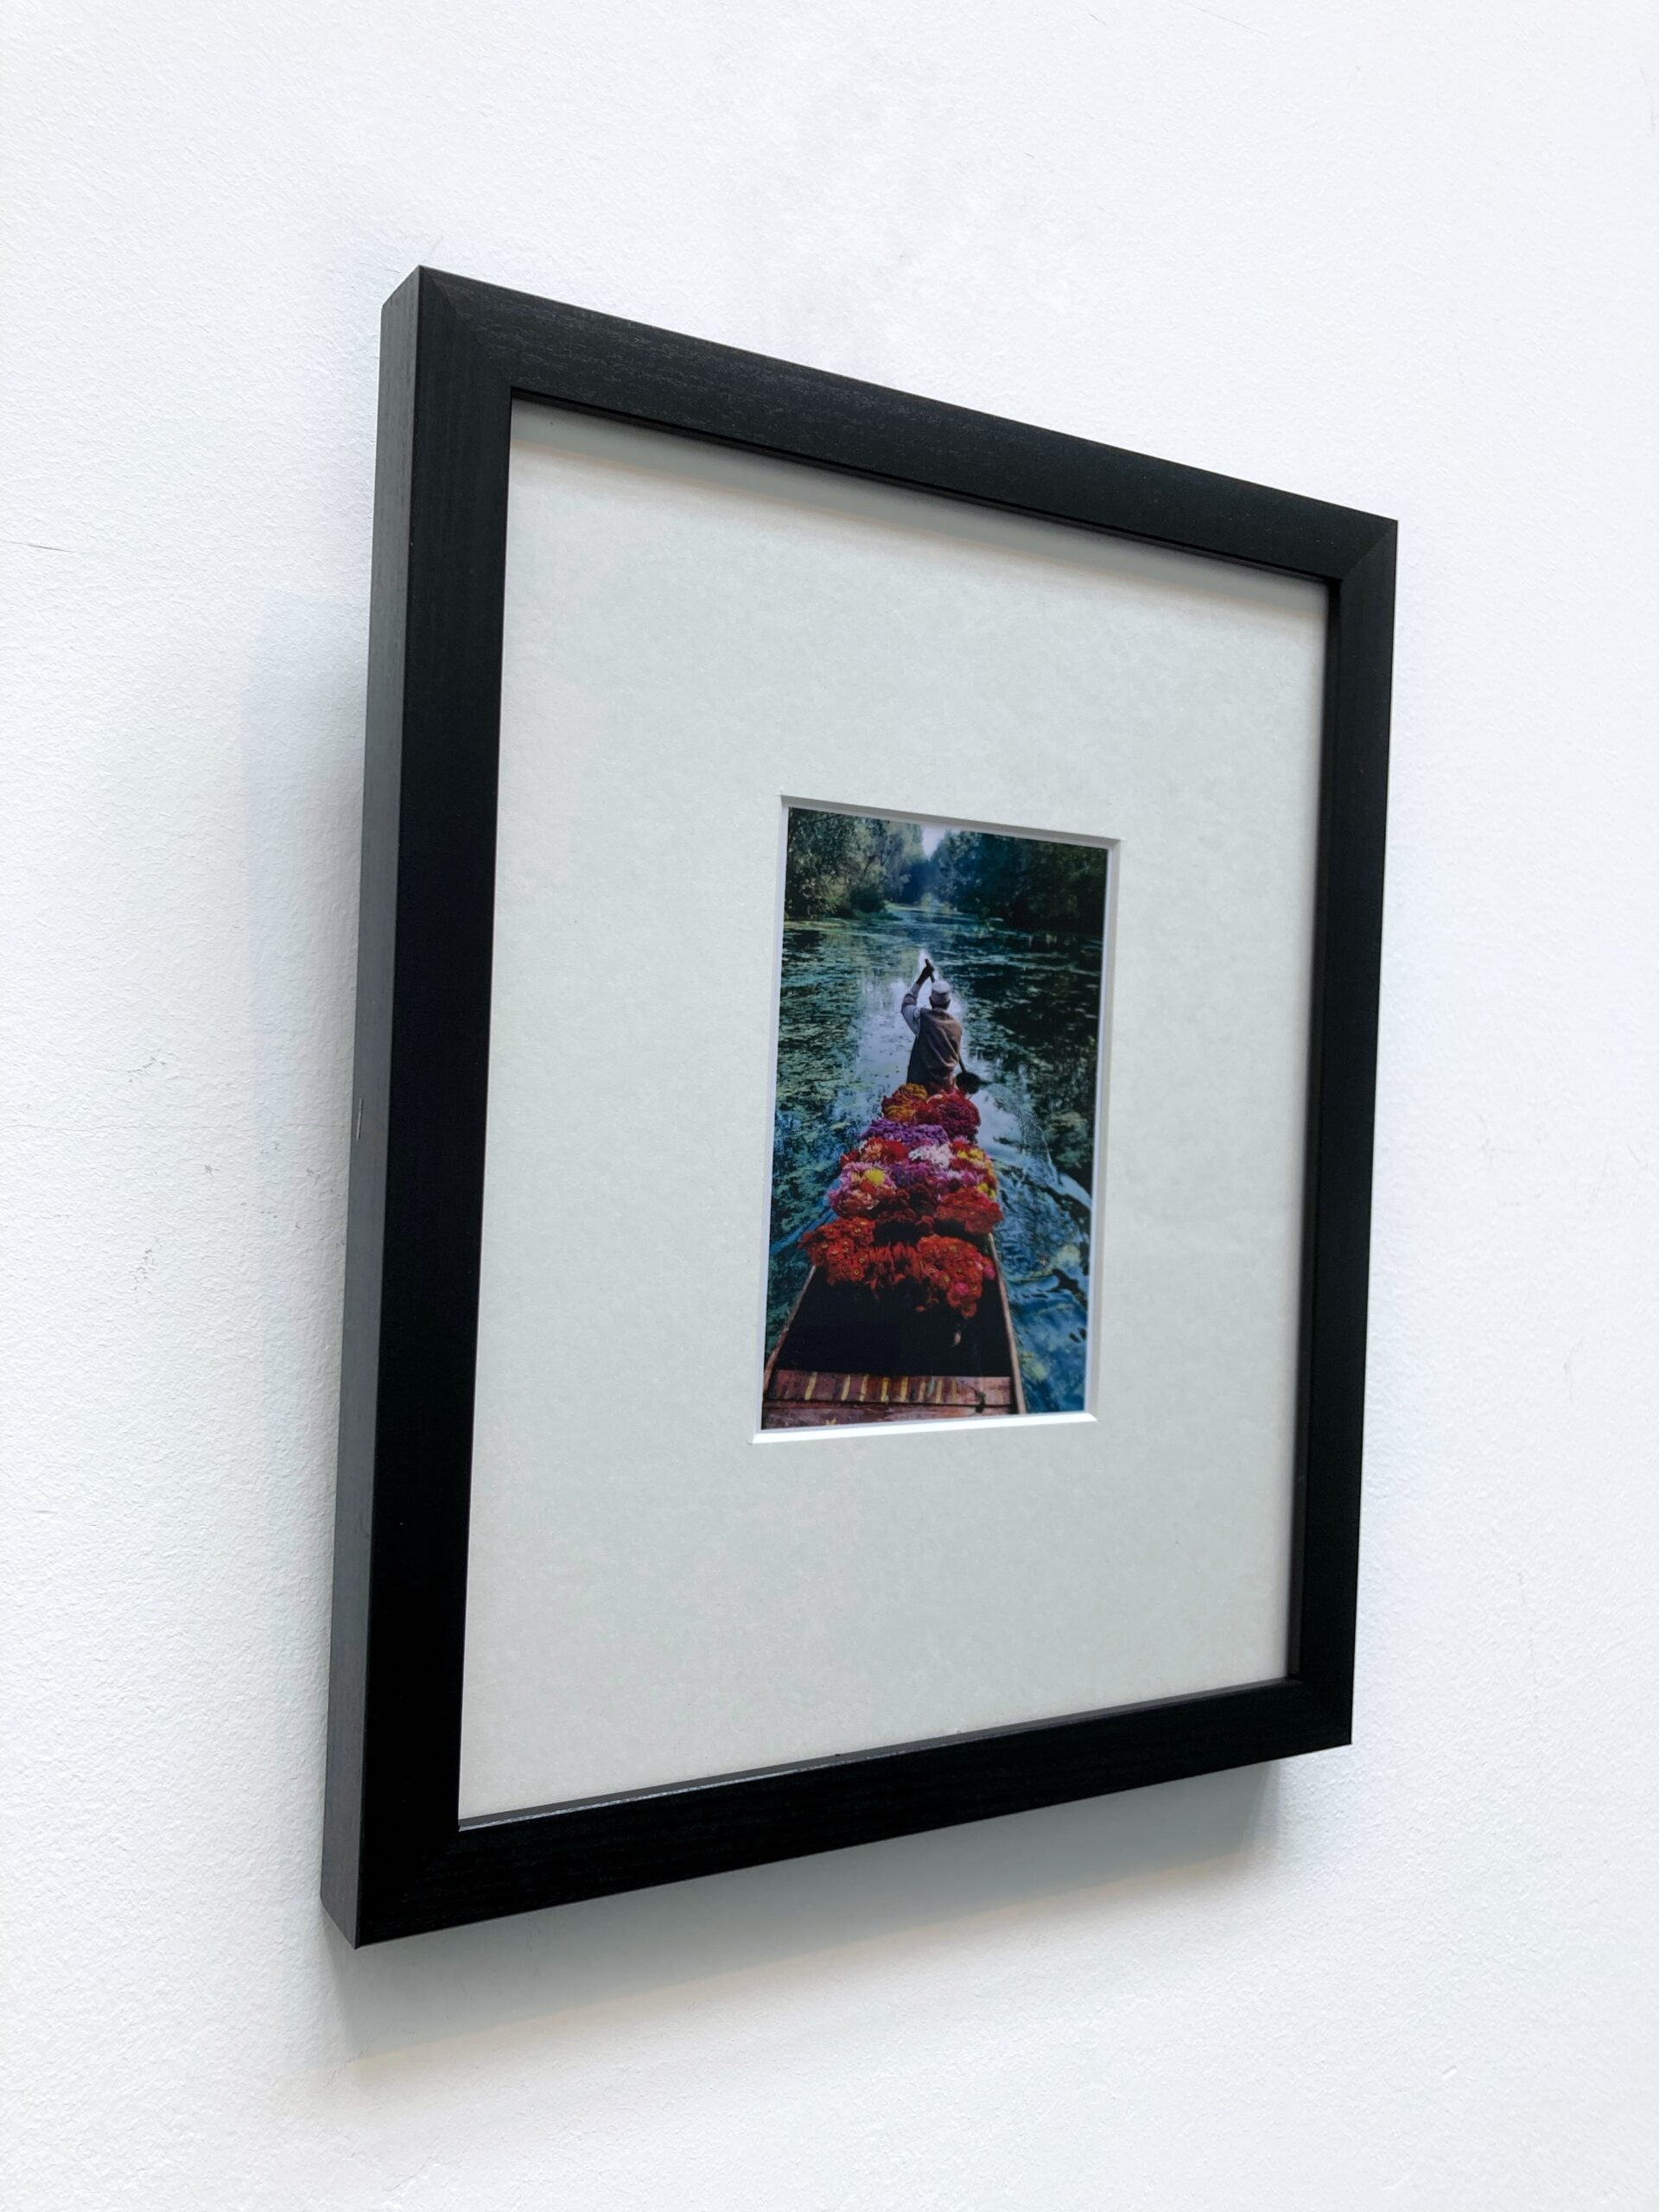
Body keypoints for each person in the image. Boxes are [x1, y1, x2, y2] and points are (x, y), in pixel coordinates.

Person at [899, 959, 964, 1090]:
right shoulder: (957, 1027)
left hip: (919, 1088)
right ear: (949, 1003)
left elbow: (907, 1003)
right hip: (945, 1087)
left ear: (930, 1001)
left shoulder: (921, 1018)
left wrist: (922, 977)